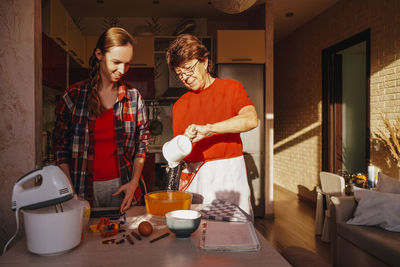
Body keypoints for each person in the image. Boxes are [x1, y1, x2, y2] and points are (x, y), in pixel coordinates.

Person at [53, 27, 150, 212]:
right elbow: (59, 149)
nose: (122, 70)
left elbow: (142, 143)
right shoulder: (73, 96)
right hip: (81, 189)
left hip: (124, 187)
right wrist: (71, 194)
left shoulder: (134, 97)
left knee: (125, 237)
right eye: (116, 62)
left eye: (127, 64)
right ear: (99, 54)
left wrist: (134, 182)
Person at [166, 34, 258, 217]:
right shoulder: (180, 105)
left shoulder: (230, 88)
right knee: (195, 235)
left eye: (189, 69)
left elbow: (250, 119)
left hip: (227, 178)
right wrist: (183, 142)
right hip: (194, 179)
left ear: (204, 61)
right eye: (180, 74)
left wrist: (209, 129)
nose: (185, 77)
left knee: (232, 234)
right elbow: (176, 153)